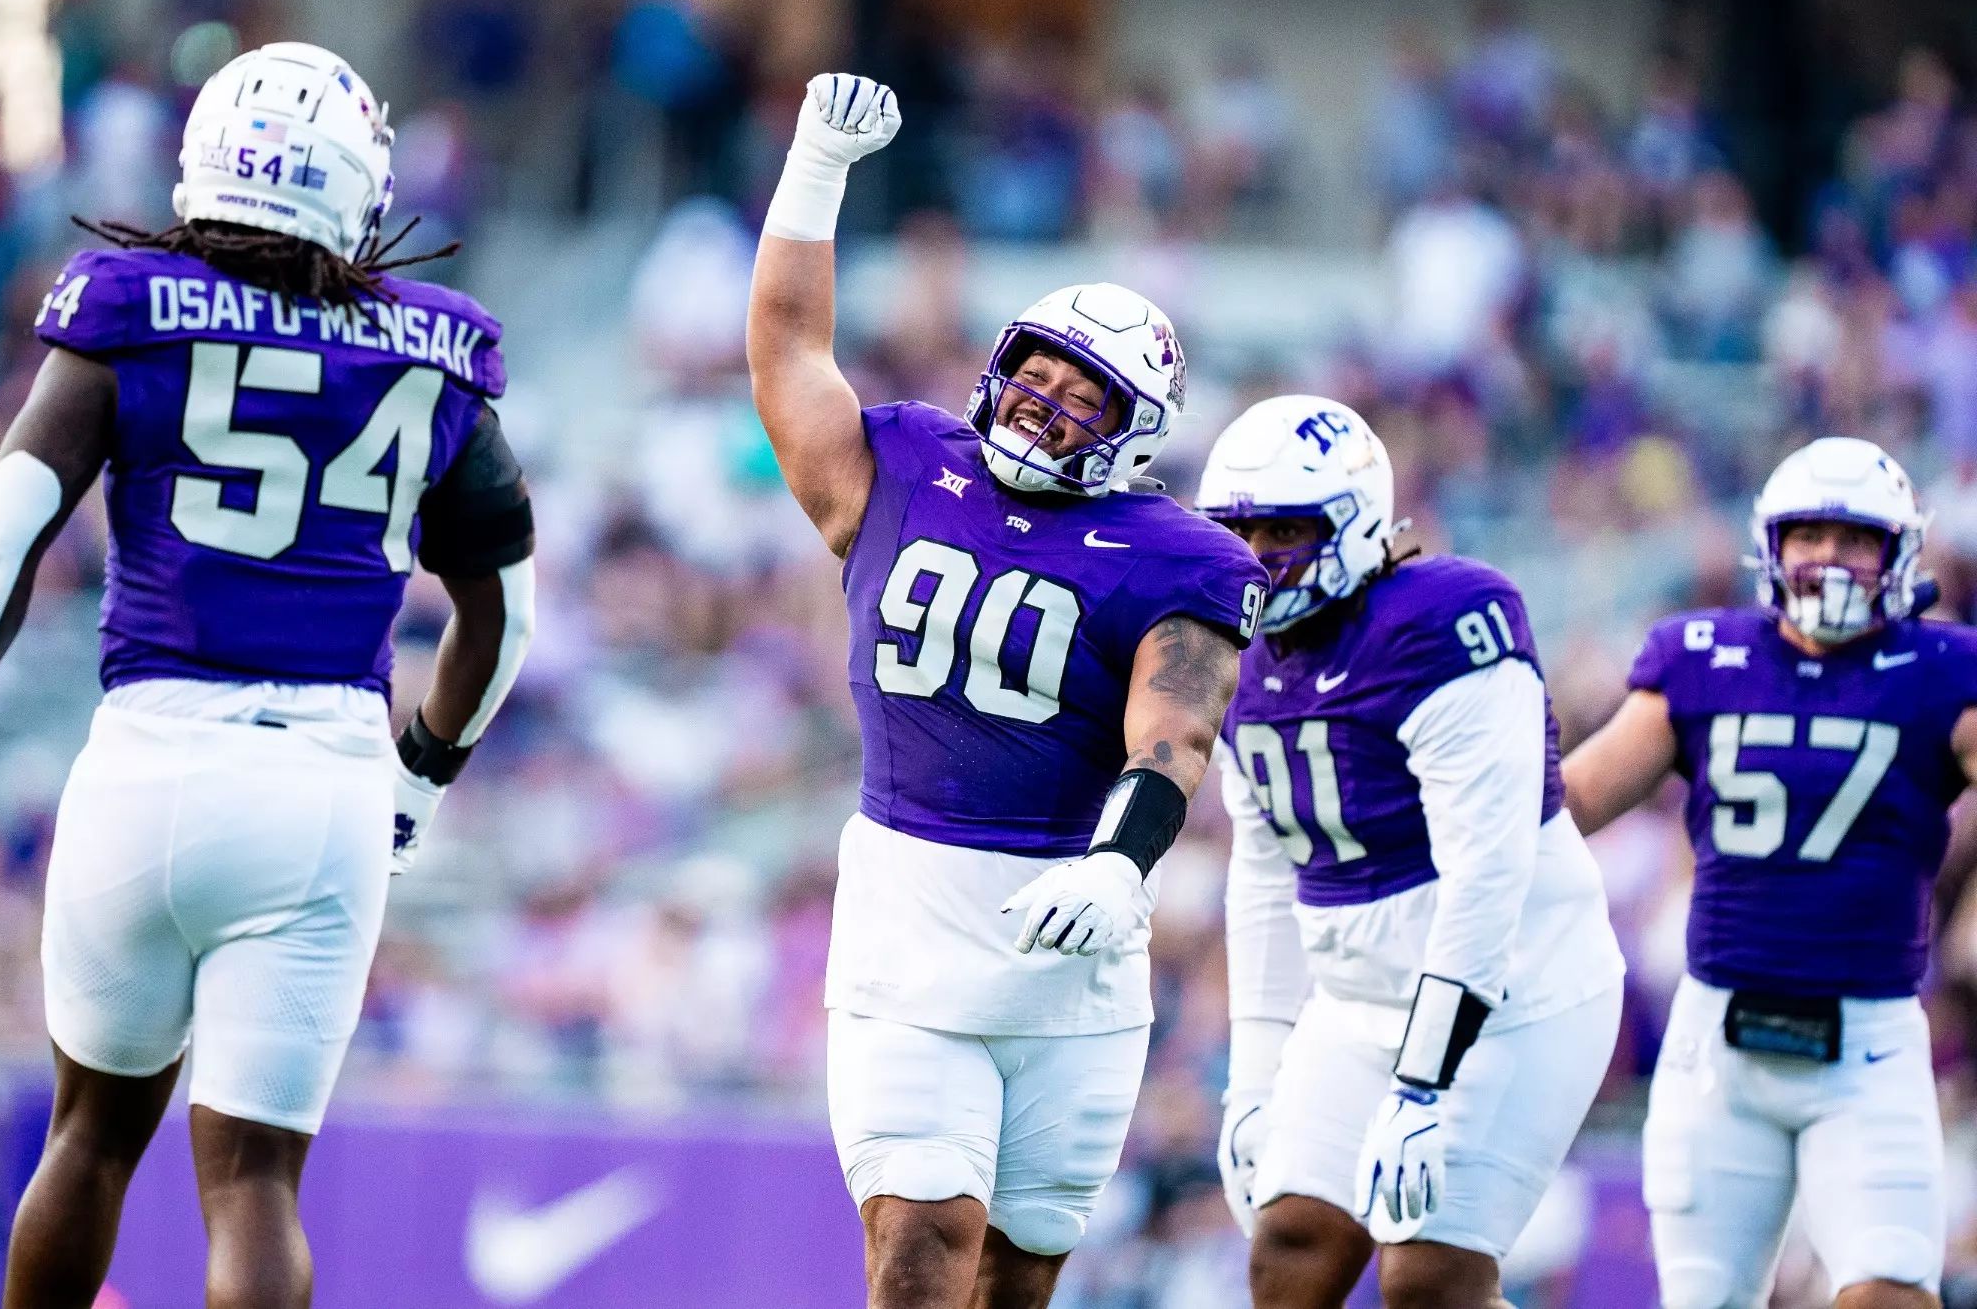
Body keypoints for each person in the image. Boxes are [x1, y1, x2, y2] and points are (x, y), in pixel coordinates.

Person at [0, 43, 535, 1308]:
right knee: (252, 1184)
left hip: (147, 756)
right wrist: (421, 781)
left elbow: (1, 539)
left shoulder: (132, 307)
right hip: (319, 783)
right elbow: (502, 620)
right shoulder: (431, 353)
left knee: (87, 1138)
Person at [745, 73, 1267, 1309]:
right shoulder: (903, 461)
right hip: (909, 917)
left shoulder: (1182, 557)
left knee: (1015, 1280)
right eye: (1037, 372)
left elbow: (1173, 737)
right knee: (920, 1242)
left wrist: (1117, 864)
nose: (1046, 401)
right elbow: (787, 349)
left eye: (1085, 396)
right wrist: (814, 167)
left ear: (1133, 431)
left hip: (1069, 942)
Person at [1198, 396, 1624, 1309]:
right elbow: (1265, 876)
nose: (1256, 555)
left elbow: (1487, 873)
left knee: (1431, 1275)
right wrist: (1254, 1082)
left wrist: (1424, 1082)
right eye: (1238, 530)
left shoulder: (1442, 620)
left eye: (1284, 530)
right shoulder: (1235, 653)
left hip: (1515, 992)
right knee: (1290, 1247)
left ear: (1354, 524)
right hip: (1357, 1000)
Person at [1564, 436, 1976, 1309]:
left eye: (1855, 537)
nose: (1830, 556)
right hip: (1720, 1044)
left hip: (1868, 1043)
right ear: (1771, 545)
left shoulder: (1945, 671)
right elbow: (1580, 796)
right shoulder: (1701, 655)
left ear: (1899, 553)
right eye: (1810, 534)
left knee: (1891, 1294)